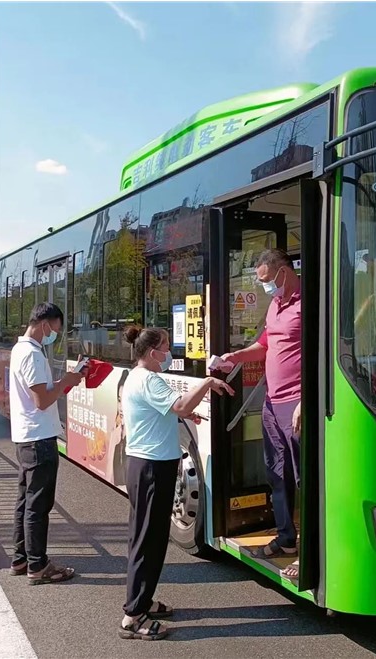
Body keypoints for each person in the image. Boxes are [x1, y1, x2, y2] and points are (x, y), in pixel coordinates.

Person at [119, 325, 234, 641]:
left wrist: (184, 415)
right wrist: (207, 382)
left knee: (149, 537)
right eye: (166, 346)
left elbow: (169, 411)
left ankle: (143, 601)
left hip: (146, 465)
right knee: (148, 540)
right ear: (152, 352)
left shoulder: (137, 376)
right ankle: (133, 616)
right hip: (152, 468)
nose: (170, 352)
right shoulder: (149, 379)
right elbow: (180, 405)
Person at [221, 248, 302, 580]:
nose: (266, 286)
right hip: (272, 402)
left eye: (268, 280)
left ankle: (315, 549)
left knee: (306, 477)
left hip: (297, 404)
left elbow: (323, 353)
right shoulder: (275, 305)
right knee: (277, 473)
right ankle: (286, 539)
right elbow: (265, 345)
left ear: (284, 271)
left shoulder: (309, 303)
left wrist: (307, 400)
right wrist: (235, 357)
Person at [9, 302, 85, 584]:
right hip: (38, 439)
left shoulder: (20, 350)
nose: (56, 334)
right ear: (44, 325)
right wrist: (66, 381)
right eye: (56, 329)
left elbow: (39, 392)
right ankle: (38, 565)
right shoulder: (32, 354)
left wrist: (65, 381)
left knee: (25, 501)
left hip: (27, 437)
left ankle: (21, 558)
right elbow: (41, 401)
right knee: (38, 505)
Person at [105, 369, 129, 487]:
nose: (121, 407)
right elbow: (109, 477)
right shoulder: (116, 432)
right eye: (119, 400)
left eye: (126, 401)